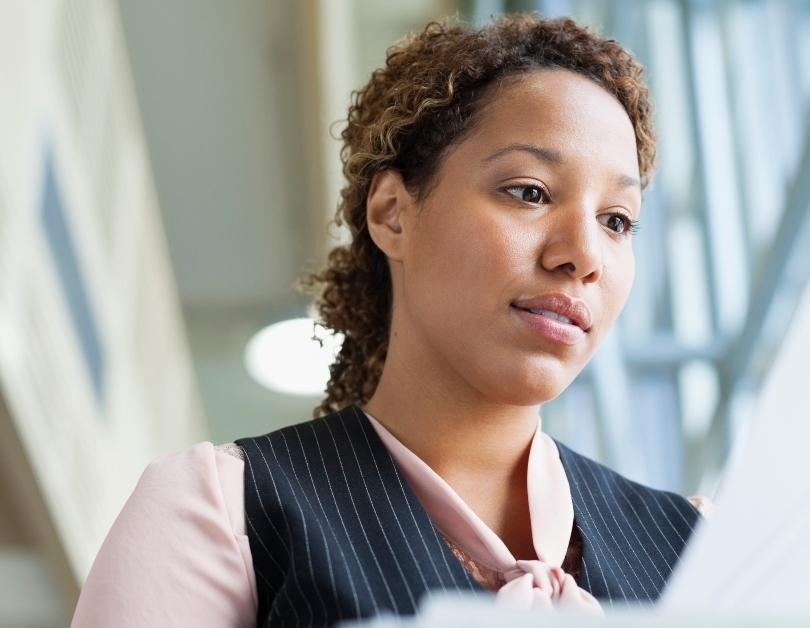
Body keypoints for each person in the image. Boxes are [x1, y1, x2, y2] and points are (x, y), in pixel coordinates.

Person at [72, 14, 708, 626]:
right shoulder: (220, 510)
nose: (585, 256)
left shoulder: (698, 549)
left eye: (617, 220)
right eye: (530, 191)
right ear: (392, 213)